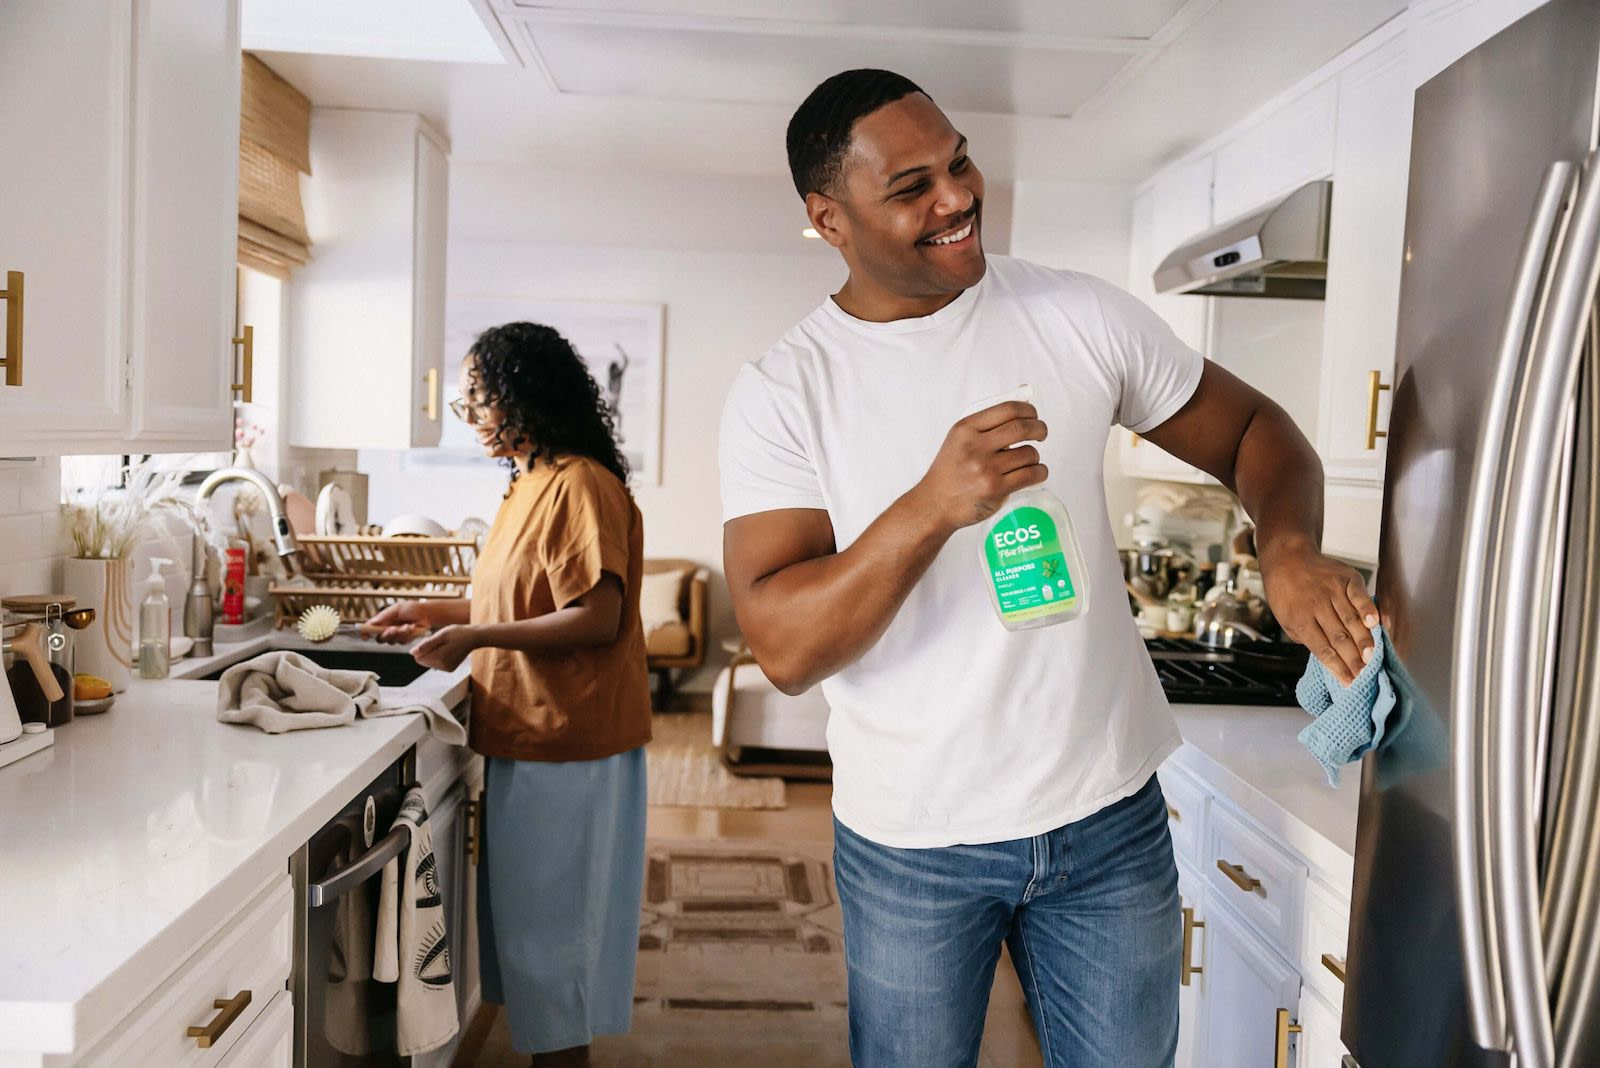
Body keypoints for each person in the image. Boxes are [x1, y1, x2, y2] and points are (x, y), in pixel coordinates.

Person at [718, 69, 1379, 1068]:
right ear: (829, 217)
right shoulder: (784, 391)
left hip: (1107, 820)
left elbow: (1254, 430)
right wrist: (929, 509)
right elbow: (784, 646)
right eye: (910, 188)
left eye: (958, 162)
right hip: (913, 841)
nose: (956, 198)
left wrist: (1284, 549)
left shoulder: (1076, 315)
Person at [369, 321, 652, 1068]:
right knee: (533, 943)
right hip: (529, 734)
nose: (474, 417)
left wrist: (478, 640)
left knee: (553, 948)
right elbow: (519, 598)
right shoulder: (526, 482)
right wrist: (438, 612)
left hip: (571, 743)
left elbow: (599, 615)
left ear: (523, 395)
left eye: (478, 399)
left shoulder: (581, 484)